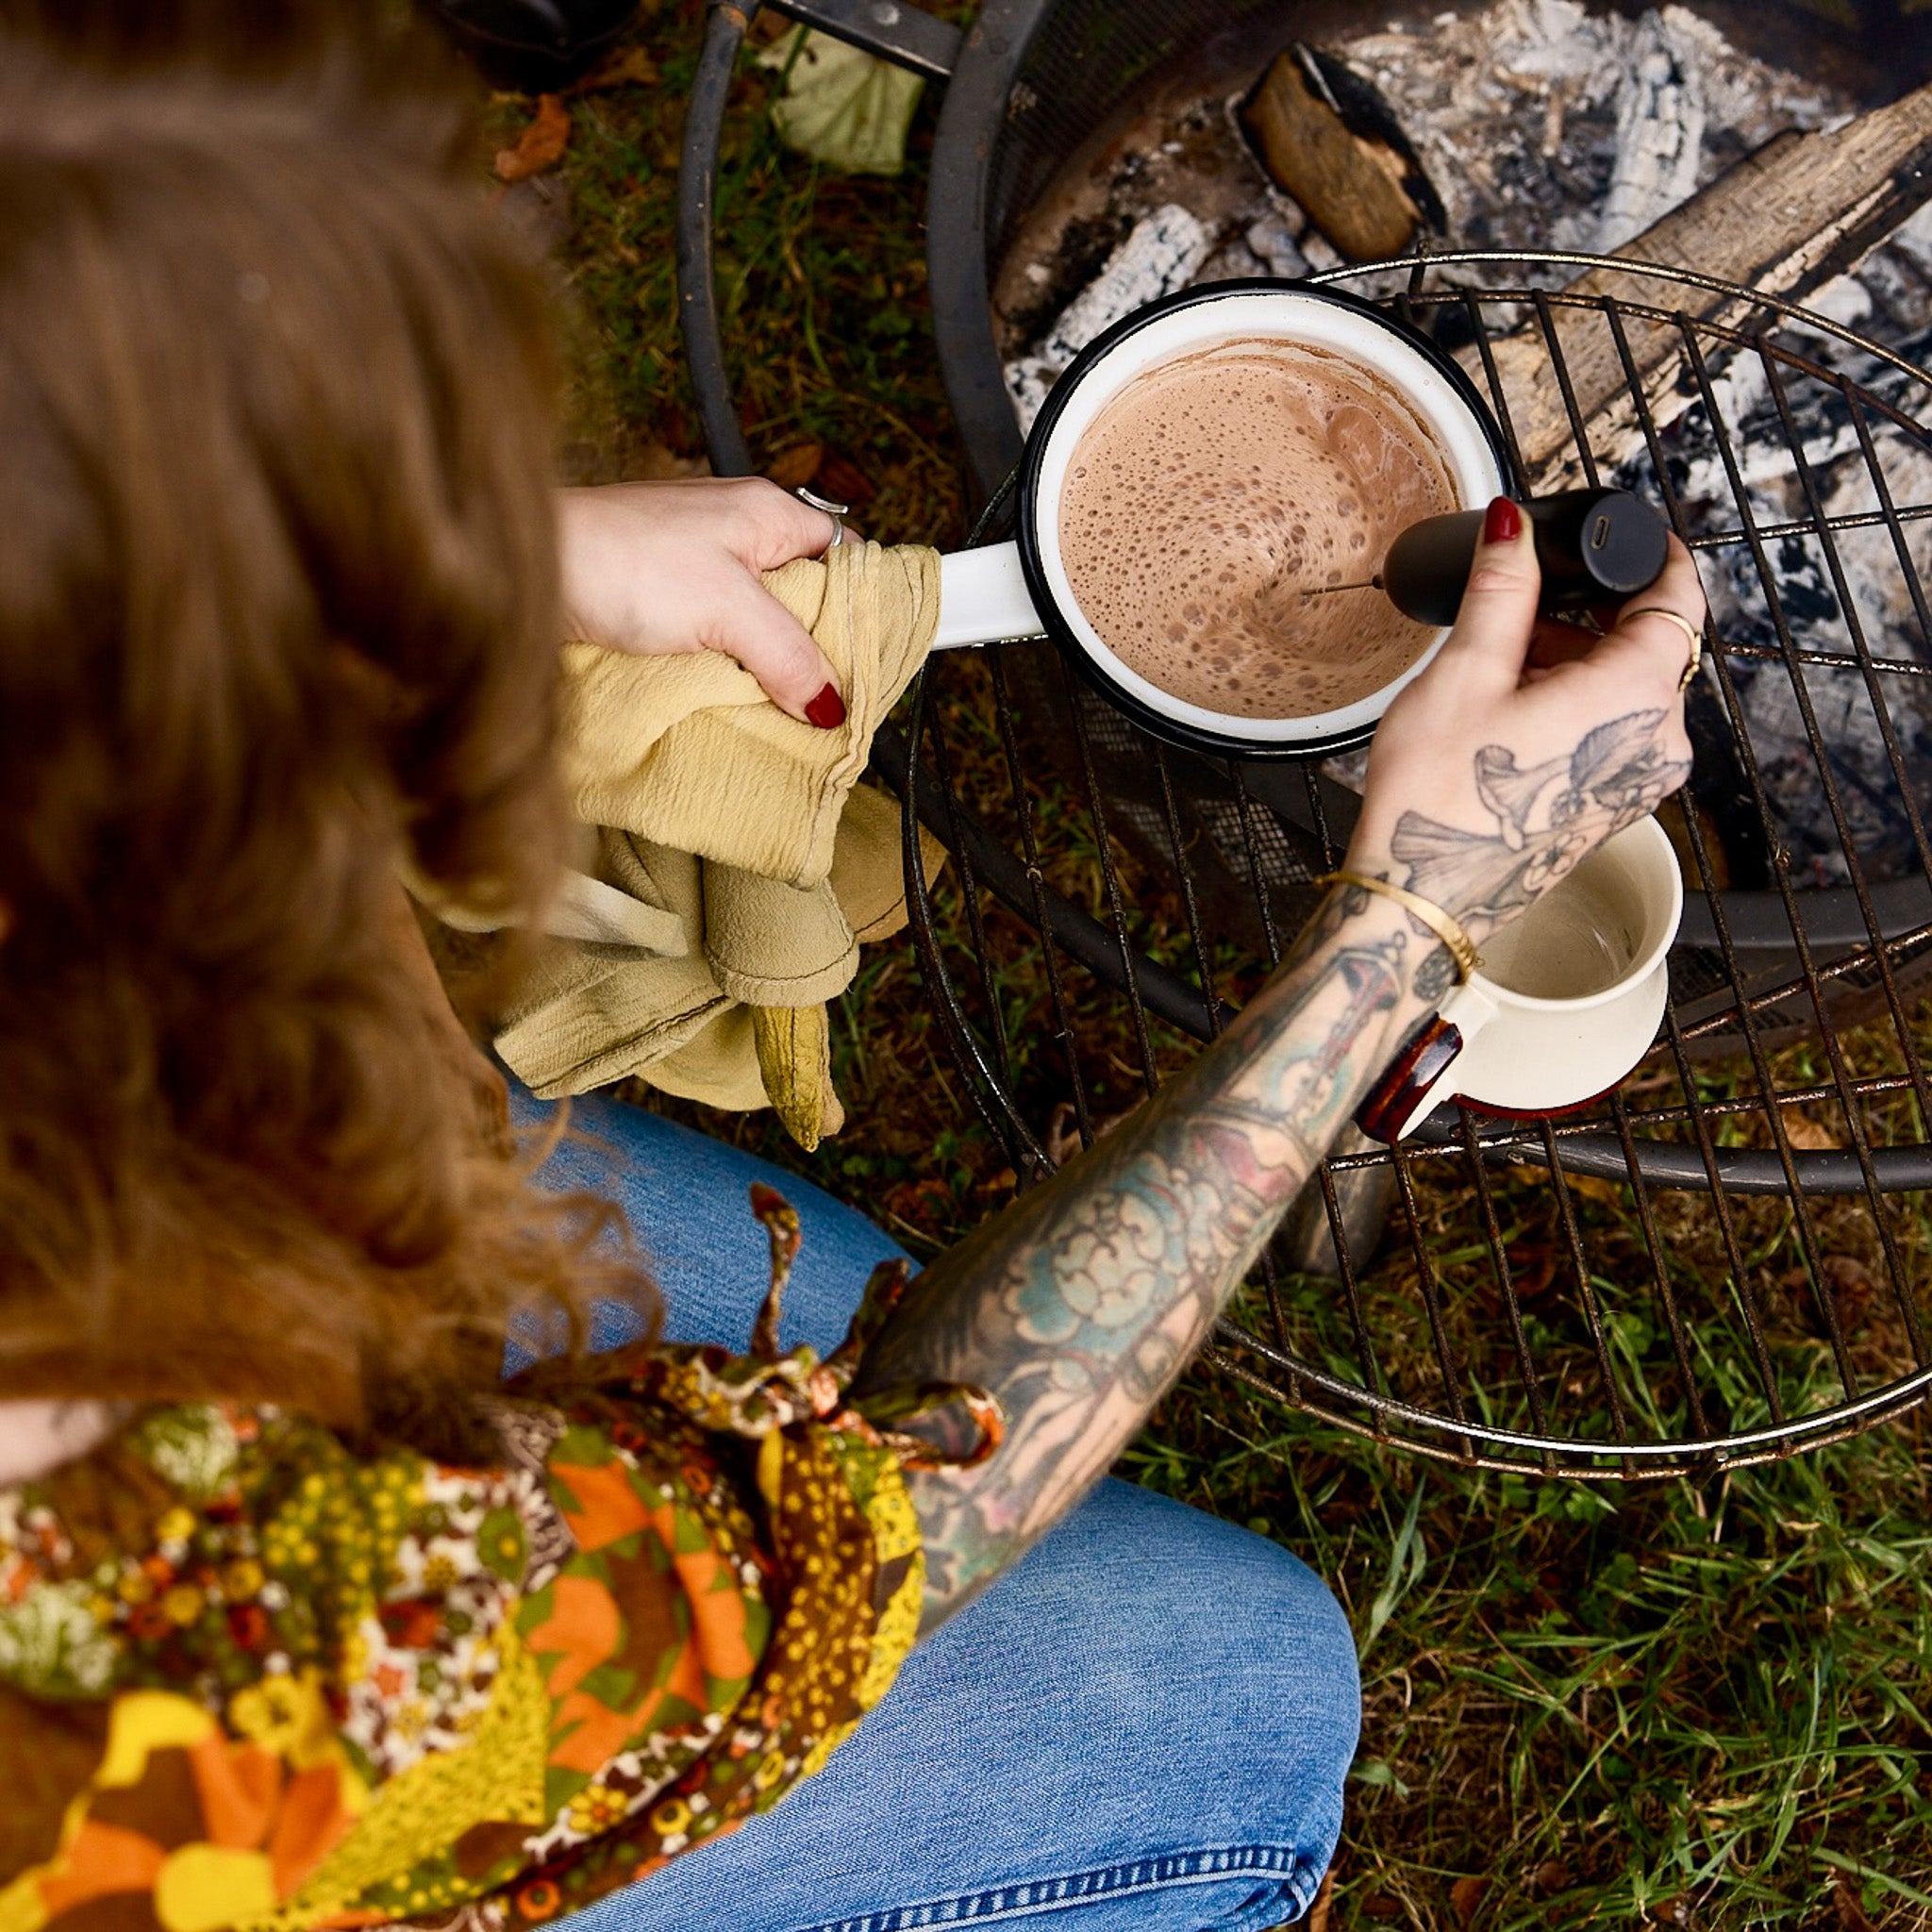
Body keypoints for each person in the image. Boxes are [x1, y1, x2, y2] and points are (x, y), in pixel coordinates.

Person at [0, 6, 1704, 1928]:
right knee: (1247, 1700)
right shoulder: (193, 1669)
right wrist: (1407, 916)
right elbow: (881, 1520)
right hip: (285, 1777)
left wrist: (486, 554)